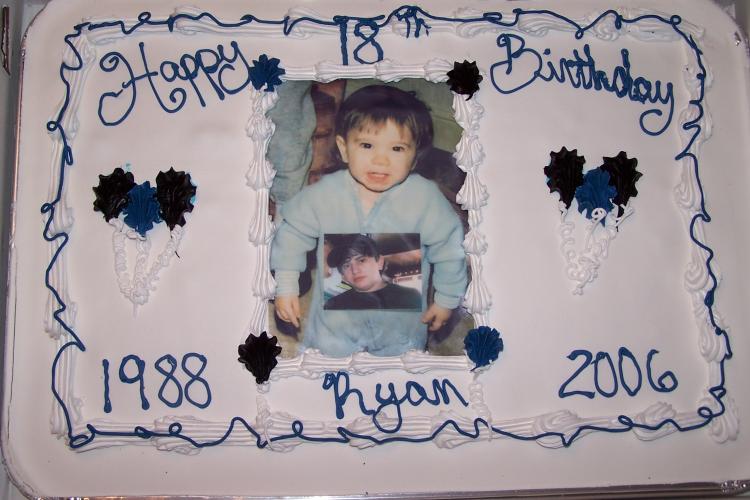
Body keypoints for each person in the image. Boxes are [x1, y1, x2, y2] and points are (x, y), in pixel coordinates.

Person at [271, 84, 467, 357]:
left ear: (414, 157)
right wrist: (286, 285)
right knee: (330, 375)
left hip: (400, 331)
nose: (380, 160)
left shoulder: (425, 199)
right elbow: (291, 234)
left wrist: (447, 298)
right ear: (344, 148)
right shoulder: (325, 194)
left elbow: (450, 249)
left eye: (397, 148)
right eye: (366, 145)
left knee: (397, 378)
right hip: (335, 329)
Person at [324, 234, 421, 311]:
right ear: (343, 276)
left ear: (380, 262)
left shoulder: (409, 298)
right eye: (346, 265)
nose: (355, 270)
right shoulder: (334, 306)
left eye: (361, 260)